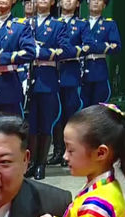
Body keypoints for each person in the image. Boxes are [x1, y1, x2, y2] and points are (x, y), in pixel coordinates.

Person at [25, 0, 67, 180]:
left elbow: (65, 50)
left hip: (47, 78)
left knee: (45, 123)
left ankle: (41, 163)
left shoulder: (58, 25)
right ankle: (32, 162)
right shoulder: (26, 23)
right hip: (27, 78)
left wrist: (39, 52)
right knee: (30, 125)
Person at [0, 0, 36, 115]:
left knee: (10, 127)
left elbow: (30, 52)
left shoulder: (20, 26)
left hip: (10, 84)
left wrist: (2, 57)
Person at [50, 0, 87, 167]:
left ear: (77, 4)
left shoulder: (81, 25)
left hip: (70, 71)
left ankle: (70, 152)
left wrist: (70, 51)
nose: (67, 2)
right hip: (53, 71)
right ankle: (57, 150)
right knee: (55, 114)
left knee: (70, 114)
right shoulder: (52, 23)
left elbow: (87, 46)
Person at [81, 0, 119, 106]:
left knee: (99, 105)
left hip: (98, 68)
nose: (96, 2)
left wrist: (91, 47)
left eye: (100, 0)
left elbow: (116, 46)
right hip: (81, 68)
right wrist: (104, 46)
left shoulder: (109, 24)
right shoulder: (80, 23)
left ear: (104, 5)